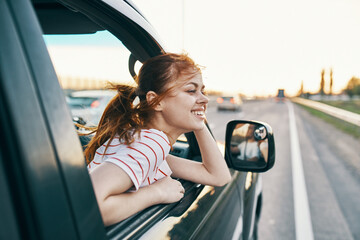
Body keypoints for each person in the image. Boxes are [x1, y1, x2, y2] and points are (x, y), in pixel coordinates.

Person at [85, 53, 231, 226]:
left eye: (203, 91)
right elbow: (88, 206)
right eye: (191, 90)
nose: (205, 98)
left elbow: (218, 176)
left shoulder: (144, 144)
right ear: (155, 101)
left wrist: (198, 119)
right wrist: (157, 193)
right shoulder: (150, 145)